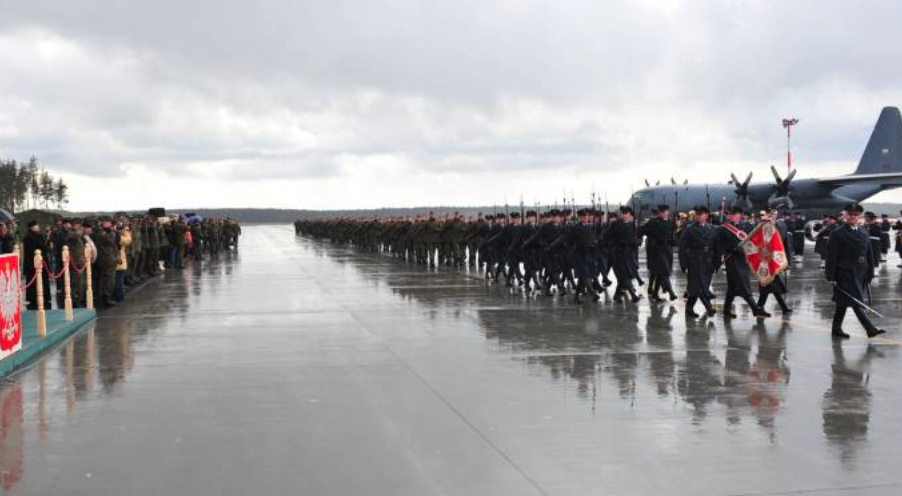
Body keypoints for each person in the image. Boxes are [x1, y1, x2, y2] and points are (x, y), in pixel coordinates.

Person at [825, 203, 886, 339]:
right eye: (850, 214)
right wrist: (830, 276)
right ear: (846, 215)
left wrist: (871, 271)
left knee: (843, 302)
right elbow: (831, 256)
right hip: (845, 272)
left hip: (861, 272)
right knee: (856, 300)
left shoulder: (864, 231)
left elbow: (868, 254)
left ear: (859, 216)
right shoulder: (837, 233)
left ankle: (836, 328)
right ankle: (870, 329)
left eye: (855, 215)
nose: (853, 217)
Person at [714, 207, 768, 319]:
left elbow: (753, 239)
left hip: (744, 260)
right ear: (729, 216)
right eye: (734, 214)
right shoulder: (723, 229)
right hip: (732, 260)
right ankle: (755, 309)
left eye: (738, 214)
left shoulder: (746, 226)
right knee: (744, 285)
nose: (736, 216)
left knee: (732, 288)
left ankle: (726, 310)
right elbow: (718, 246)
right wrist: (728, 251)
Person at [678, 206, 717, 317]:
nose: (699, 217)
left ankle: (689, 308)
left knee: (698, 286)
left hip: (708, 261)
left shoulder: (712, 228)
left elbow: (716, 245)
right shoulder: (690, 229)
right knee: (700, 286)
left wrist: (716, 261)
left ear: (706, 216)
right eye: (697, 214)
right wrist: (683, 263)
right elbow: (682, 247)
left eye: (701, 214)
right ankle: (709, 308)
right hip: (694, 260)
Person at [639, 204, 678, 302]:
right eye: (661, 212)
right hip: (657, 250)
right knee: (664, 271)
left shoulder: (671, 222)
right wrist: (640, 226)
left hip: (668, 249)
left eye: (664, 212)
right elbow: (641, 232)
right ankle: (671, 292)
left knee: (662, 273)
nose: (663, 213)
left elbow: (673, 234)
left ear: (667, 212)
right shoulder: (653, 222)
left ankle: (655, 294)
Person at [23, 221, 52, 310]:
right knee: (34, 282)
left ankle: (45, 296)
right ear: (32, 227)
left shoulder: (40, 235)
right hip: (33, 263)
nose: (38, 227)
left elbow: (44, 247)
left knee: (43, 280)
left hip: (42, 262)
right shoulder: (28, 237)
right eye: (36, 226)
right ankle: (33, 298)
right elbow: (36, 247)